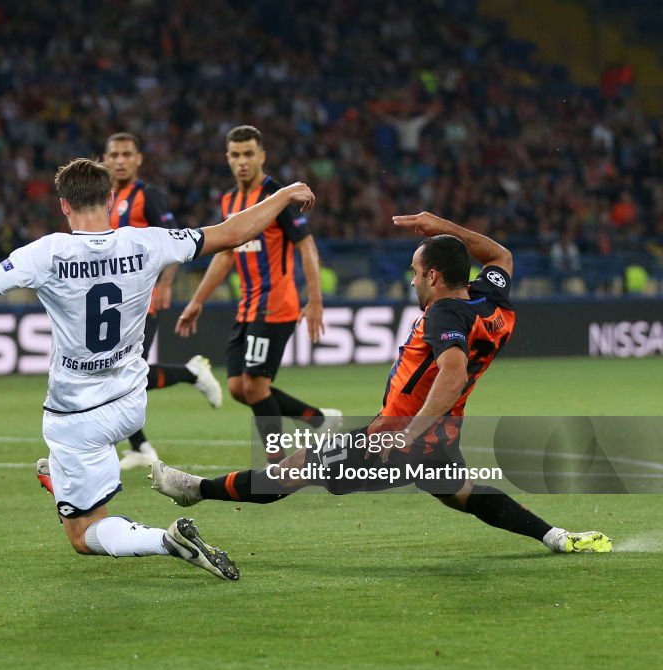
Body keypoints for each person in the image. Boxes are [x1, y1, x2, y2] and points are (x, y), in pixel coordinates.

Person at [0, 158, 317, 579]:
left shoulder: (47, 253)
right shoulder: (147, 240)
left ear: (64, 205)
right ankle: (57, 478)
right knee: (68, 473)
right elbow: (232, 232)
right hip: (131, 404)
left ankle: (167, 540)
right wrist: (282, 194)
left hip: (76, 417)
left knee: (83, 536)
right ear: (109, 201)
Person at [152, 211, 613, 555]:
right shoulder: (490, 299)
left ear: (433, 276)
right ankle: (554, 537)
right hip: (442, 432)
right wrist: (440, 225)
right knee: (462, 494)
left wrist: (407, 434)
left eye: (416, 272)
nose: (412, 281)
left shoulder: (444, 315)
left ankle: (195, 488)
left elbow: (451, 373)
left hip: (398, 437)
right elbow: (501, 255)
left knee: (294, 469)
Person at [176, 125, 338, 462]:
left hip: (276, 305)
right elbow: (225, 254)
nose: (242, 162)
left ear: (262, 156)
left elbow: (306, 246)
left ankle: (277, 463)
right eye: (235, 155)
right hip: (247, 308)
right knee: (238, 388)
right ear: (227, 159)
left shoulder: (278, 195)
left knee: (255, 387)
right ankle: (320, 421)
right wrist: (197, 300)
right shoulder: (229, 200)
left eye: (249, 154)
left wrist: (316, 300)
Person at [99, 132, 222, 471]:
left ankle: (190, 373)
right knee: (117, 373)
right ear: (105, 159)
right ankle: (141, 447)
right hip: (115, 302)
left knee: (125, 373)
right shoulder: (105, 198)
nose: (120, 160)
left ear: (138, 159)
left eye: (127, 154)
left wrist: (166, 283)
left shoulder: (148, 196)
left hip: (144, 297)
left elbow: (172, 241)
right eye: (114, 154)